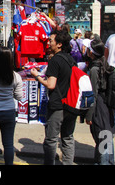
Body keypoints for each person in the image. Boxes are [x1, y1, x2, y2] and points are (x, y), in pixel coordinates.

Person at [30, 29, 77, 165]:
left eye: (51, 41)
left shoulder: (55, 60)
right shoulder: (70, 59)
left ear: (59, 44)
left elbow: (51, 85)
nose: (48, 43)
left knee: (51, 139)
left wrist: (37, 76)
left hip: (57, 106)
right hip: (71, 104)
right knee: (68, 138)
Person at [85, 35, 115, 165]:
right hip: (106, 107)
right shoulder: (105, 65)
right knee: (106, 136)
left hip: (99, 108)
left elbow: (93, 94)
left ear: (91, 53)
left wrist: (89, 115)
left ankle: (104, 162)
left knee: (103, 138)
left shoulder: (94, 70)